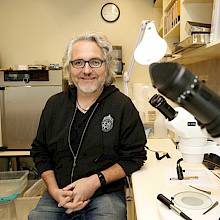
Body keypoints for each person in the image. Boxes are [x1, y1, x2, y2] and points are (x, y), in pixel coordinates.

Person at [29, 32, 147, 220]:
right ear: (69, 68)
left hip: (104, 193)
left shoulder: (122, 106)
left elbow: (135, 157)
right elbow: (40, 151)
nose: (86, 70)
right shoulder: (54, 105)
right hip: (60, 192)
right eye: (78, 63)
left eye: (95, 62)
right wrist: (54, 190)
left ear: (106, 66)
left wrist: (94, 181)